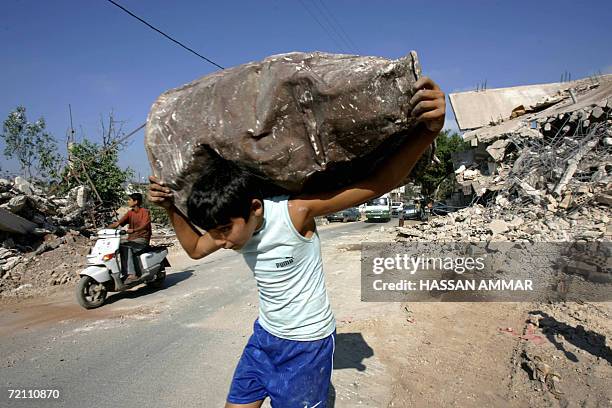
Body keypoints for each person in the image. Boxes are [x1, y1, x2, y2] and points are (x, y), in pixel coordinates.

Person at [148, 77, 445, 408]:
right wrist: (170, 208)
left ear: (255, 208)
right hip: (264, 339)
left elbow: (377, 183)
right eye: (215, 231)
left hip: (307, 345)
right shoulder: (232, 231)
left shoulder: (295, 214)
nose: (220, 240)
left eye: (223, 229)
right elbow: (194, 249)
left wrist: (428, 131)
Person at [108, 192, 152, 283]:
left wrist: (134, 230)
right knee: (117, 246)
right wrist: (105, 229)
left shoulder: (145, 212)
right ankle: (119, 272)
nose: (128, 201)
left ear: (135, 201)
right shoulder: (130, 213)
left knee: (126, 247)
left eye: (130, 200)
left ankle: (132, 274)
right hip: (132, 239)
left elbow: (145, 225)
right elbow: (118, 223)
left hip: (142, 239)